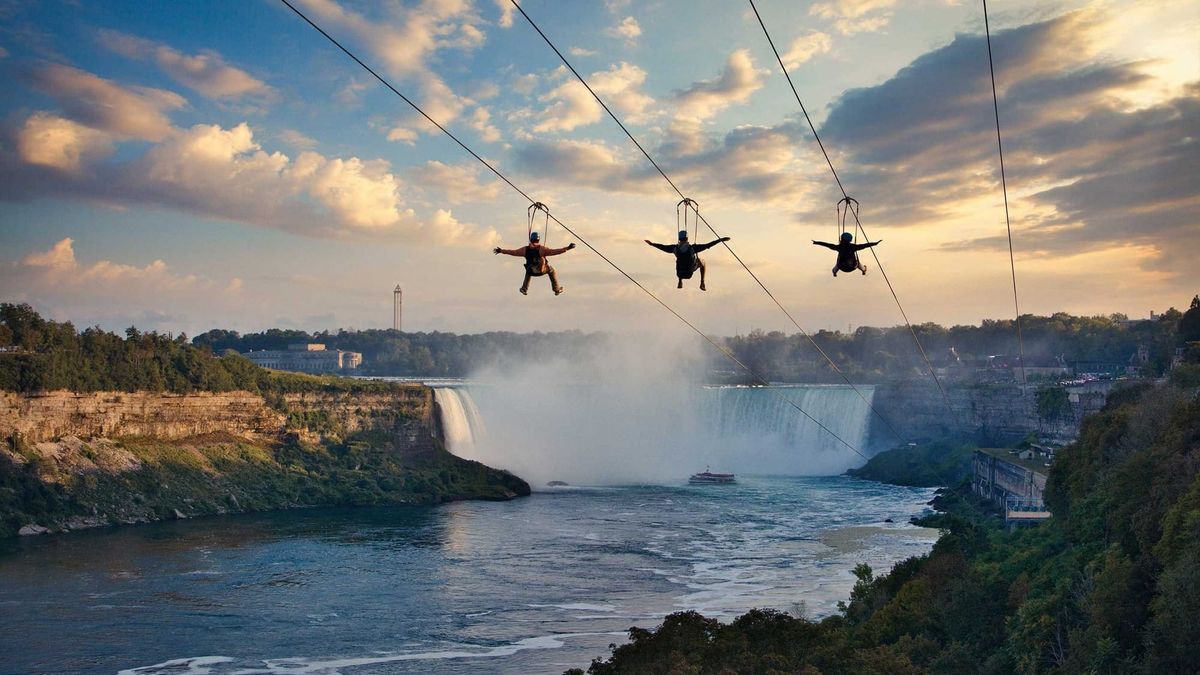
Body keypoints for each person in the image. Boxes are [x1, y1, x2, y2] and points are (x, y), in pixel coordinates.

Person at [494, 231, 575, 295]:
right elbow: (554, 252)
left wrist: (501, 251)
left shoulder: (525, 250)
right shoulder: (542, 249)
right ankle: (556, 289)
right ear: (538, 239)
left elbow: (513, 252)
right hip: (541, 270)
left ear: (531, 239)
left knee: (528, 269)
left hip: (532, 271)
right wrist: (567, 248)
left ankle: (524, 288)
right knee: (552, 270)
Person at [645, 231, 730, 290]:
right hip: (689, 273)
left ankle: (680, 281)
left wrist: (652, 244)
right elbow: (708, 245)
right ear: (687, 238)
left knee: (678, 260)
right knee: (703, 262)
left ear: (679, 239)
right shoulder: (693, 248)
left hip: (679, 273)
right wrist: (721, 240)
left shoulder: (674, 248)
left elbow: (662, 247)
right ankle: (702, 283)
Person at [812, 232, 881, 276]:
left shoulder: (838, 247)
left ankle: (834, 272)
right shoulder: (853, 247)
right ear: (850, 240)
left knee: (838, 261)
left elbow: (827, 245)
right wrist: (875, 243)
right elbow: (864, 245)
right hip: (852, 266)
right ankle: (863, 270)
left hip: (841, 267)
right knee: (857, 261)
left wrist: (816, 242)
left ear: (841, 239)